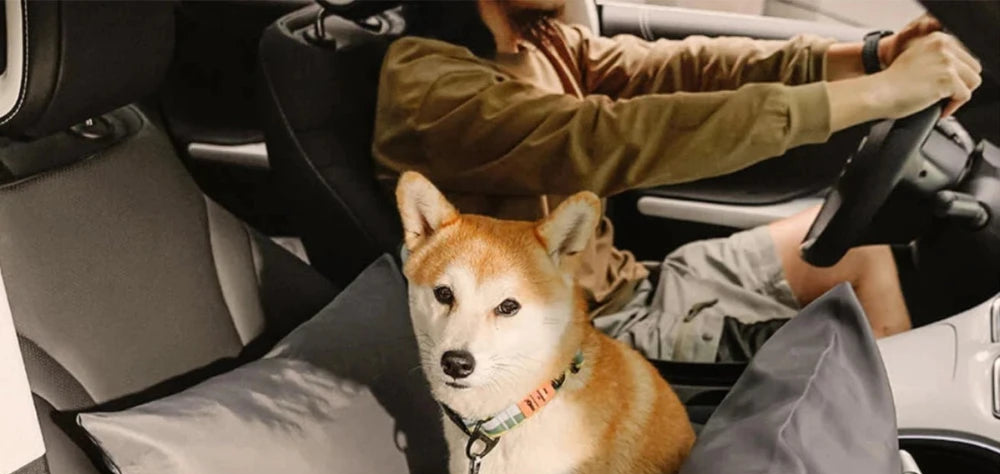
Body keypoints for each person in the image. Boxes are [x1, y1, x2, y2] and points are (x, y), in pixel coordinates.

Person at [373, 2, 982, 363]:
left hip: (637, 287)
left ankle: (894, 452)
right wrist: (874, 96)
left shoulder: (536, 36)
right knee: (839, 358)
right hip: (581, 340)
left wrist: (871, 57)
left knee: (861, 255)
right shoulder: (431, 90)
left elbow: (680, 69)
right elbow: (608, 137)